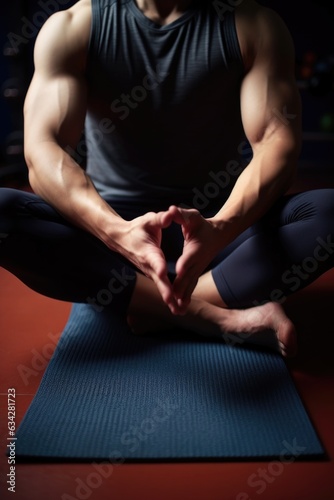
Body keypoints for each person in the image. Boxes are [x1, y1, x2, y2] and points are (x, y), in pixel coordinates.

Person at [1, 0, 333, 358]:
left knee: (329, 212)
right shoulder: (73, 26)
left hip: (220, 243)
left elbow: (276, 143)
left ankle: (153, 304)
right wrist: (117, 232)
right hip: (110, 244)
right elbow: (43, 150)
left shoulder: (253, 25)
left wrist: (221, 227)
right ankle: (208, 315)